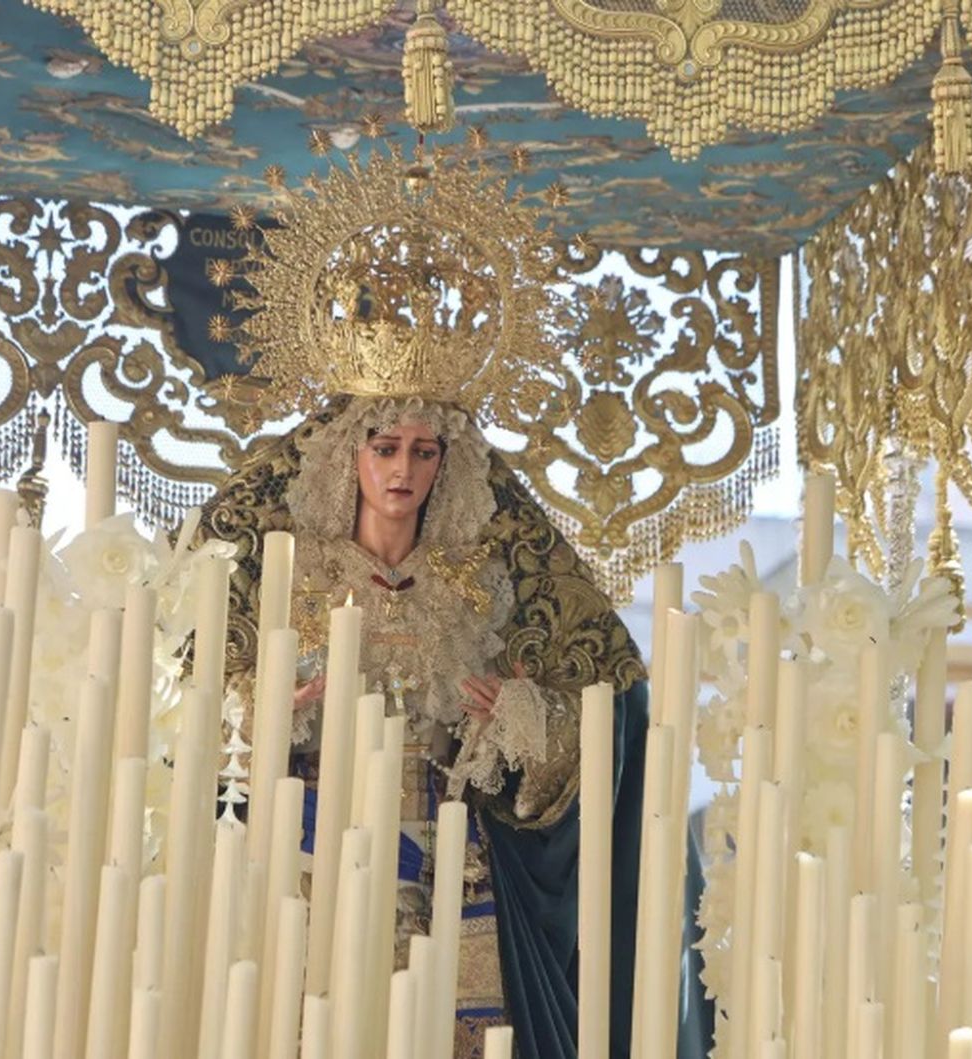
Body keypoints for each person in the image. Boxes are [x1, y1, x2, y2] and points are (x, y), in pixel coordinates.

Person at [201, 393, 714, 1058]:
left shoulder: (478, 586)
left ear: (446, 462)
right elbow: (191, 714)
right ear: (348, 455)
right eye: (384, 447)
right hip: (311, 854)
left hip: (446, 866)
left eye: (423, 450)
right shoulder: (291, 580)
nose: (402, 469)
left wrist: (517, 713)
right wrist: (267, 706)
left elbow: (590, 716)